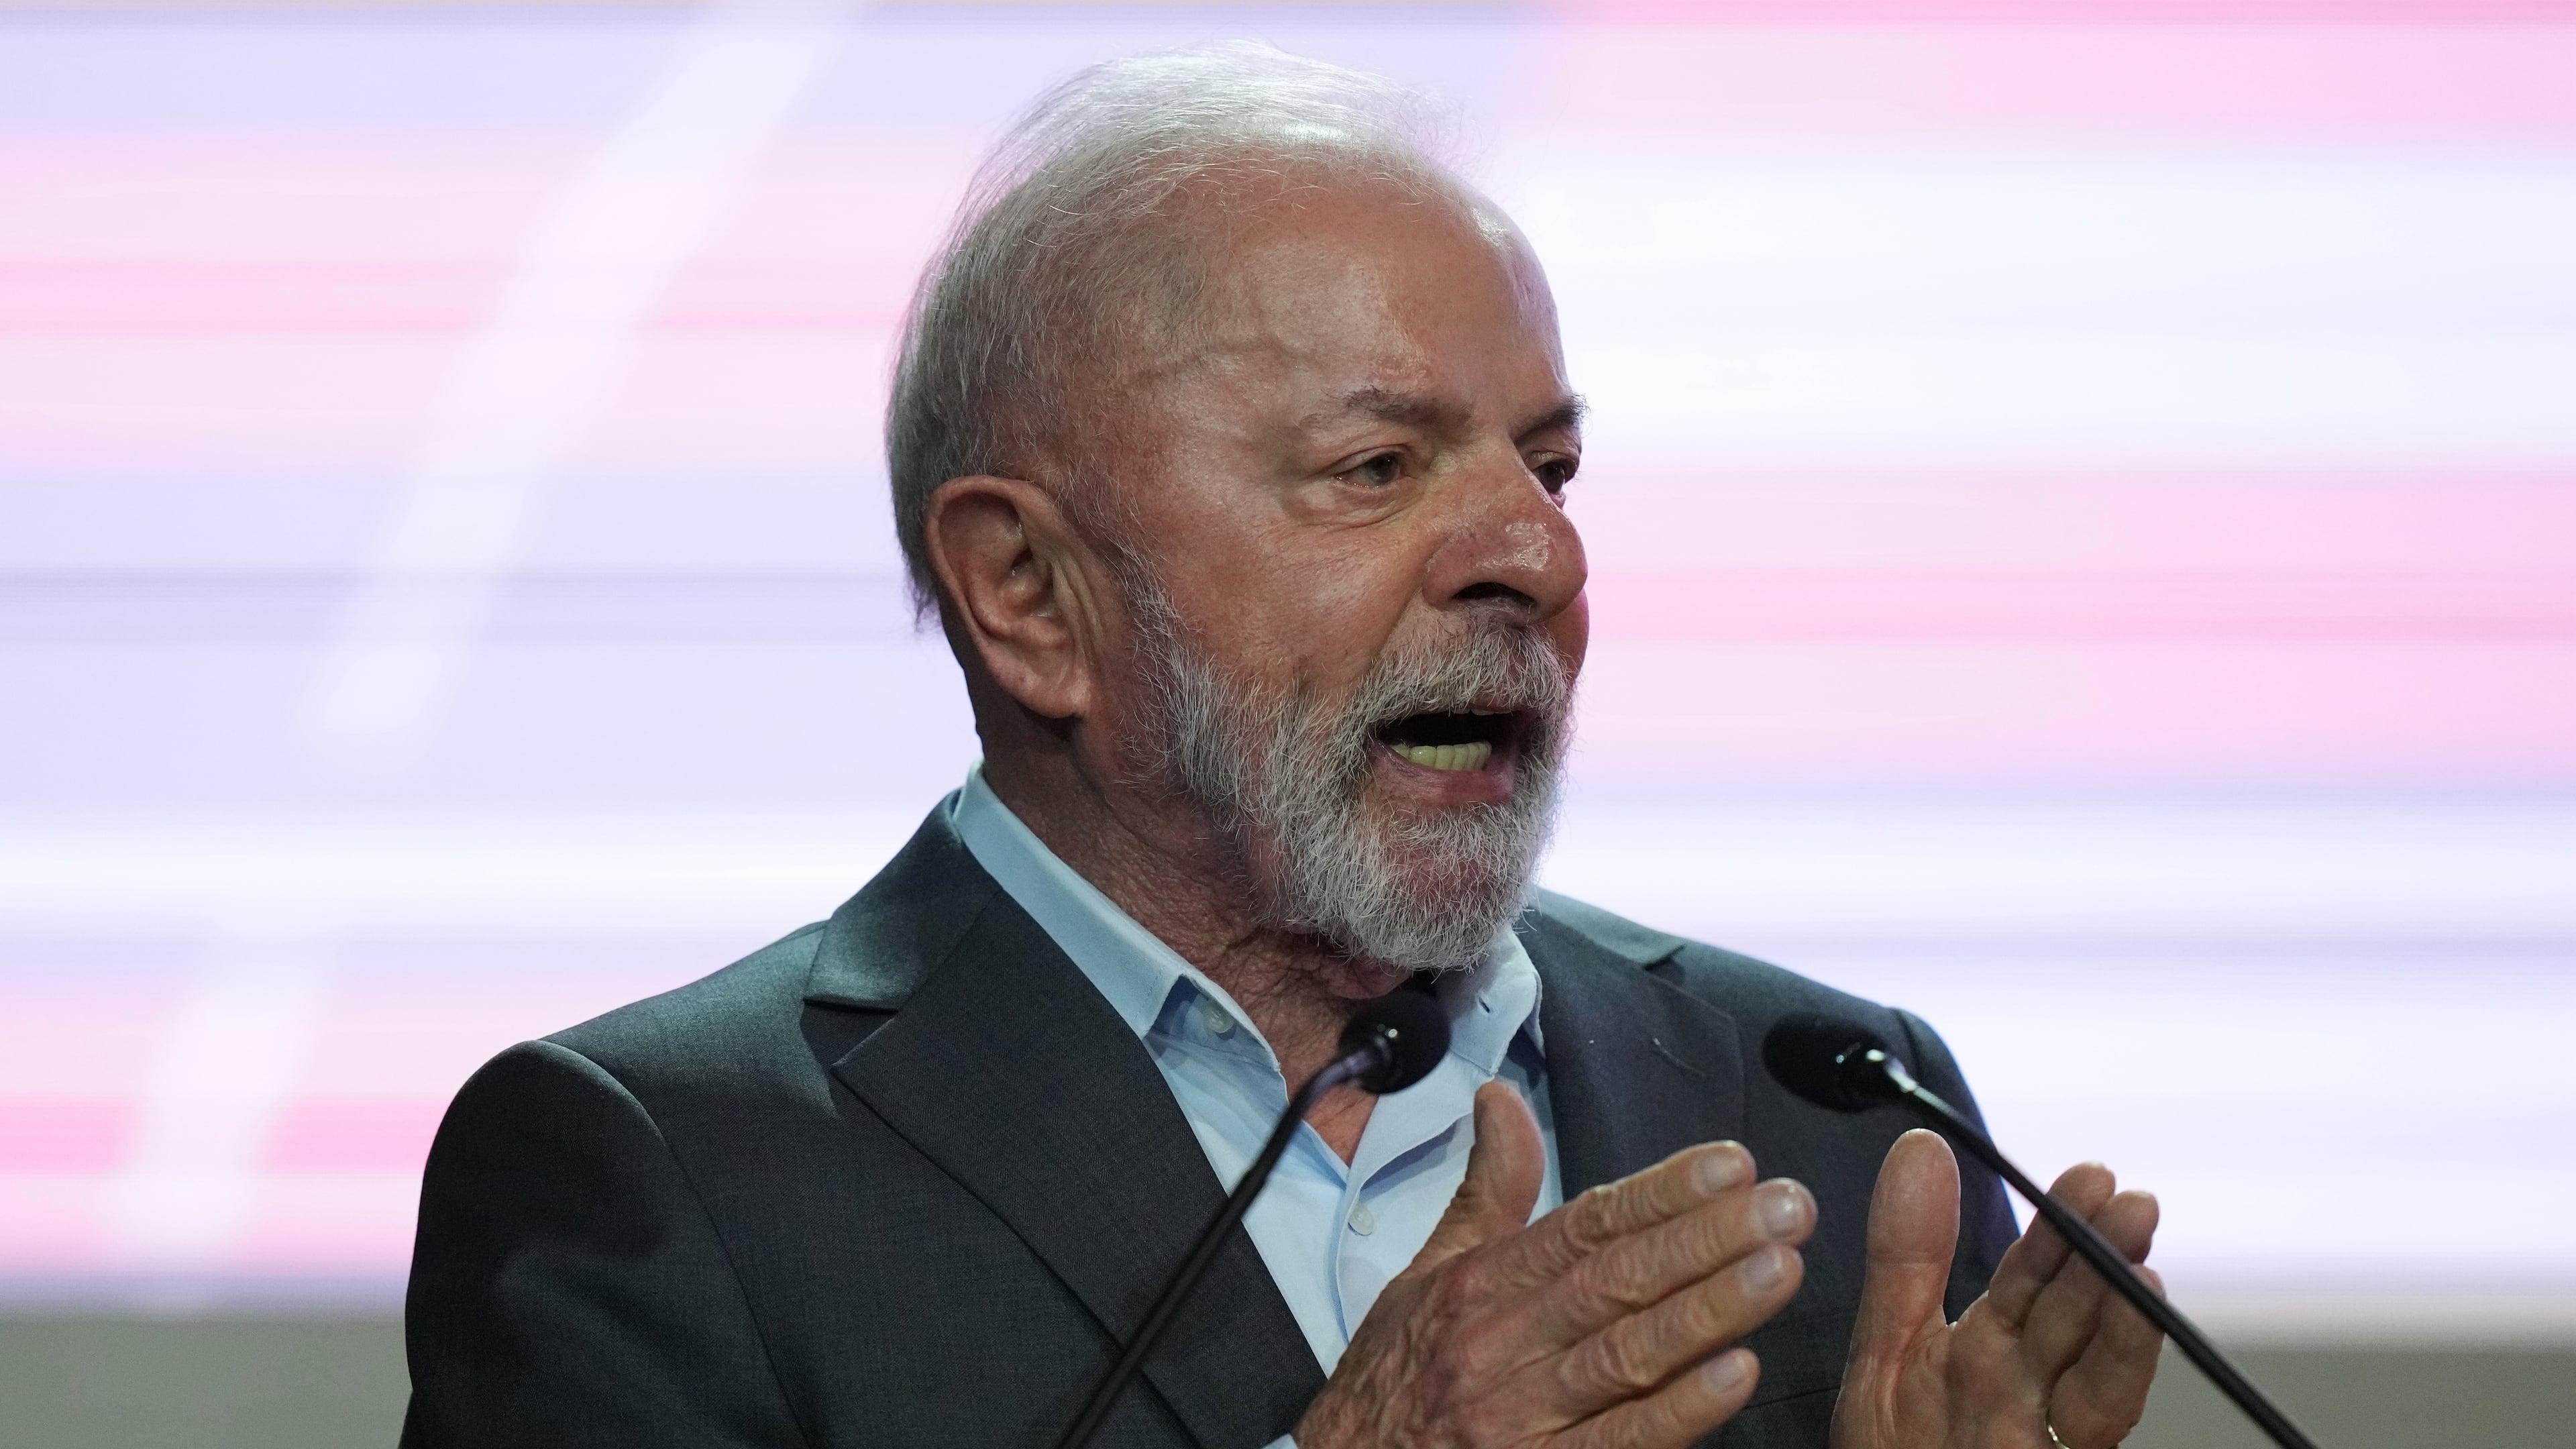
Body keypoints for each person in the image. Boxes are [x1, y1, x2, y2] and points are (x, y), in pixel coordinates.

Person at [400, 43, 2163, 1449]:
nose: (1538, 555)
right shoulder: (661, 1174)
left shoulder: (1837, 1110)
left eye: (1550, 469)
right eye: (1375, 469)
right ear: (1029, 593)